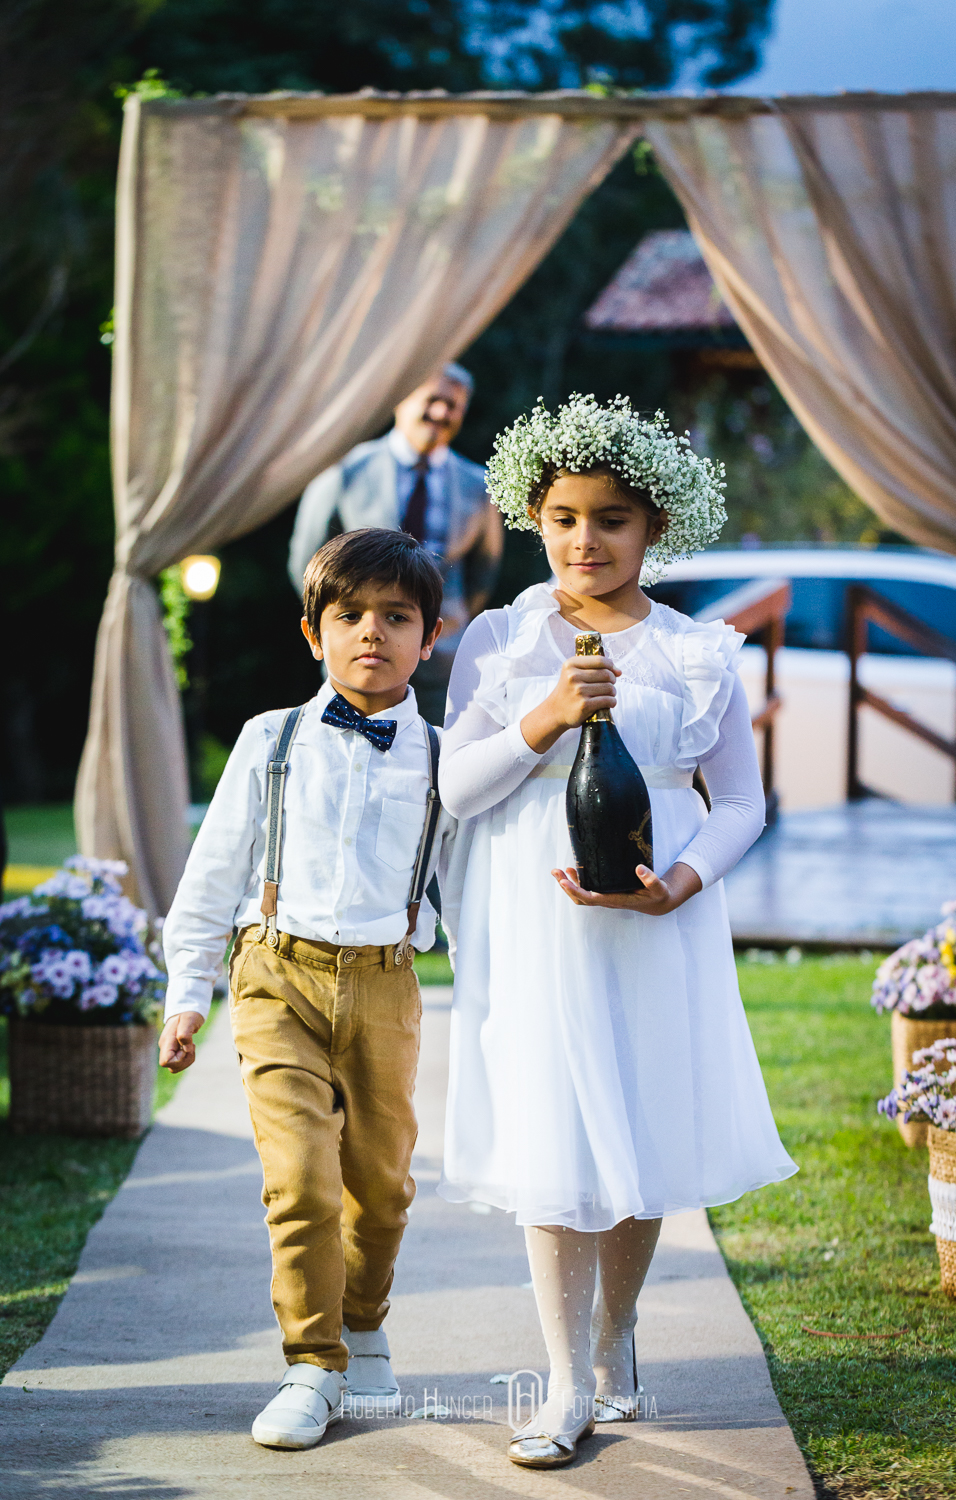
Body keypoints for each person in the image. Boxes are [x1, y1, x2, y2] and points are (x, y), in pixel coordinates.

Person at [437, 394, 797, 1471]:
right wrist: (541, 715)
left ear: (655, 529)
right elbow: (455, 790)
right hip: (535, 929)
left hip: (650, 928)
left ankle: (613, 1332)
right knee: (554, 1136)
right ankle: (558, 1386)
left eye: (610, 519)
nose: (583, 541)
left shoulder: (695, 653)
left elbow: (740, 801)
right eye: (560, 517)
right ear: (531, 520)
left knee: (631, 1137)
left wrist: (680, 881)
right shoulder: (501, 641)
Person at [159, 528, 454, 1450]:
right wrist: (186, 994)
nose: (373, 632)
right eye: (350, 614)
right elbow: (212, 876)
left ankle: (364, 1323)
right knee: (299, 1182)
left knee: (381, 1185)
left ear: (429, 637)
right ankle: (311, 1363)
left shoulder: (447, 759)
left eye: (396, 617)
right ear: (312, 633)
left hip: (385, 983)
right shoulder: (269, 740)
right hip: (274, 976)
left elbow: (470, 891)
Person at [288, 364, 504, 725]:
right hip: (361, 654)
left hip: (446, 662)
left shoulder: (479, 485)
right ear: (400, 401)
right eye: (432, 399)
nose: (440, 412)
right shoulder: (345, 472)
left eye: (452, 405)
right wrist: (345, 623)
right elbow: (306, 564)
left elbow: (484, 574)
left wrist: (438, 625)